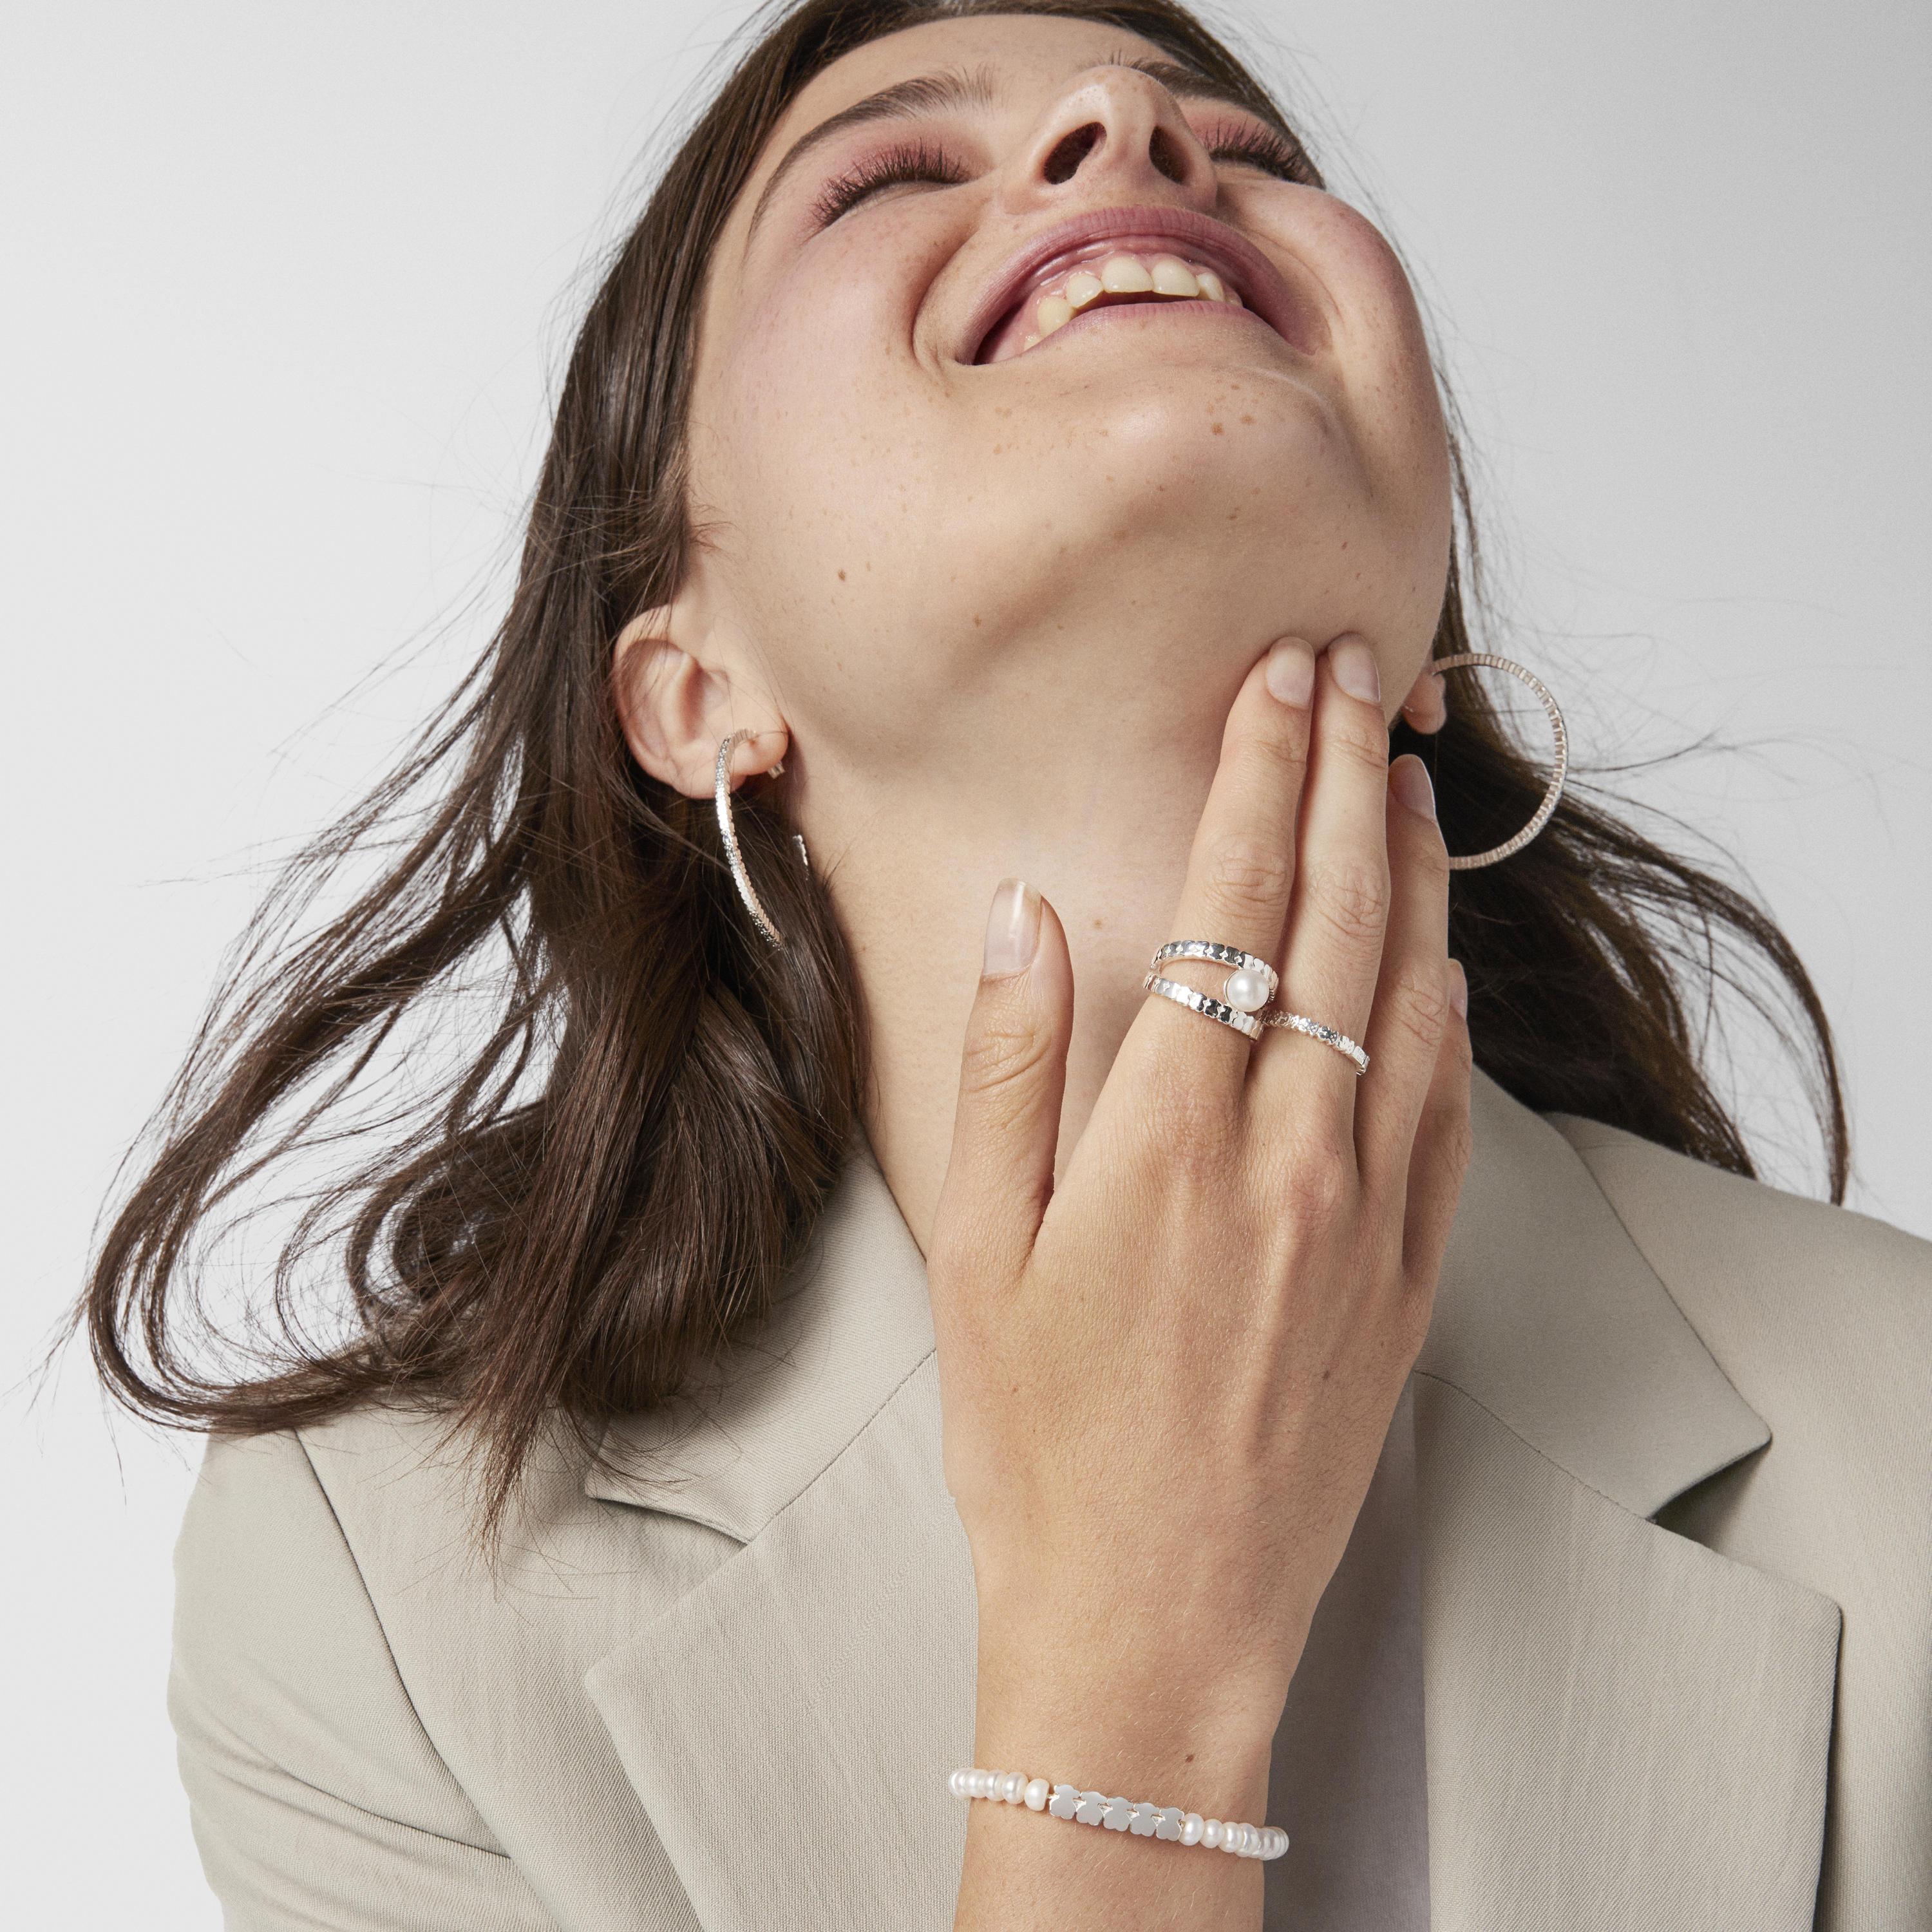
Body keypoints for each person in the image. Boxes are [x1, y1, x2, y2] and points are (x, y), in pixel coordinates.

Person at [79, 2, 1927, 1927]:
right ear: (693, 692)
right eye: (890, 173)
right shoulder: (390, 1591)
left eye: (1259, 159)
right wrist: (1131, 1677)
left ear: (1433, 621)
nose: (1134, 125)